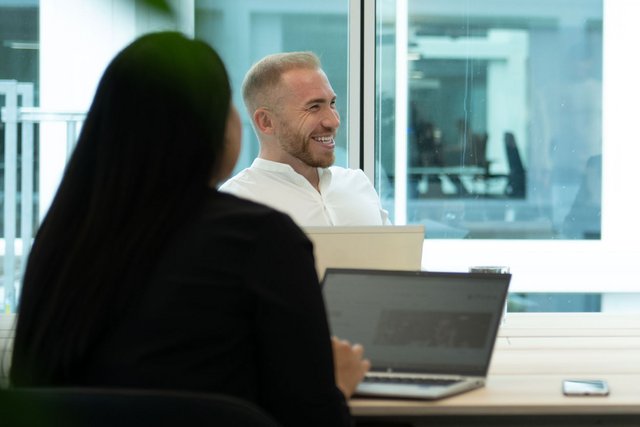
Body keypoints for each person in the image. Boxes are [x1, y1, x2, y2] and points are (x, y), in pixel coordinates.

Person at [9, 33, 370, 427]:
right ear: (212, 128)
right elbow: (315, 420)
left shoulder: (59, 242)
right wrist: (334, 384)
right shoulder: (260, 237)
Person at [220, 51, 389, 226]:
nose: (334, 121)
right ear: (266, 121)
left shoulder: (357, 184)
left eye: (332, 104)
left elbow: (395, 253)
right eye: (314, 107)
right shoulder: (234, 204)